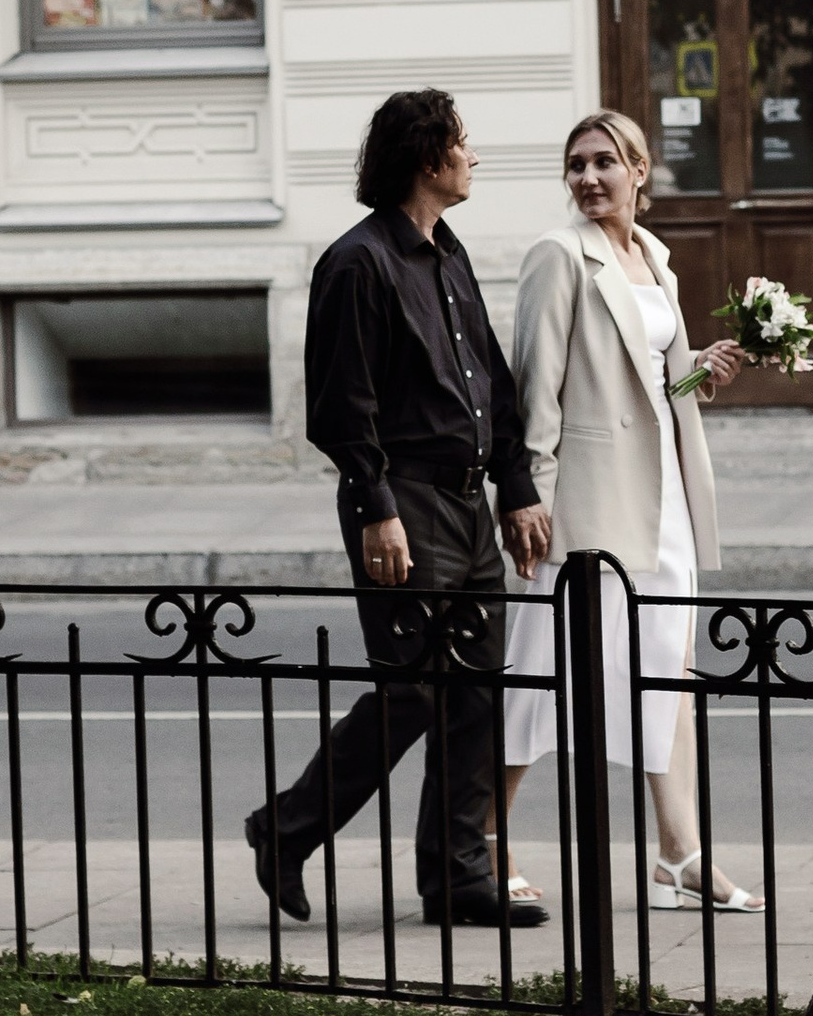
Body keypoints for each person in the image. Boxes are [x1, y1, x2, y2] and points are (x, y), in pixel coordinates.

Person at [248, 89, 554, 929]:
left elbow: (493, 382)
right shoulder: (358, 263)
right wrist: (376, 505)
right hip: (403, 503)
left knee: (475, 695)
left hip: (467, 506)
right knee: (414, 689)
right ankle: (286, 827)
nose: (474, 158)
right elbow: (341, 406)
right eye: (463, 144)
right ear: (429, 159)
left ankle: (458, 880)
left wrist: (516, 487)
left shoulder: (447, 254)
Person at [500, 109, 758, 910]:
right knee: (541, 671)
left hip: (664, 496)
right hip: (583, 502)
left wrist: (698, 374)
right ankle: (482, 838)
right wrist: (527, 500)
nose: (587, 178)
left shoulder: (653, 257)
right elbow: (533, 389)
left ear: (640, 171)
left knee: (668, 673)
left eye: (604, 162)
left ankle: (678, 855)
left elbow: (649, 386)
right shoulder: (558, 255)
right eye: (575, 164)